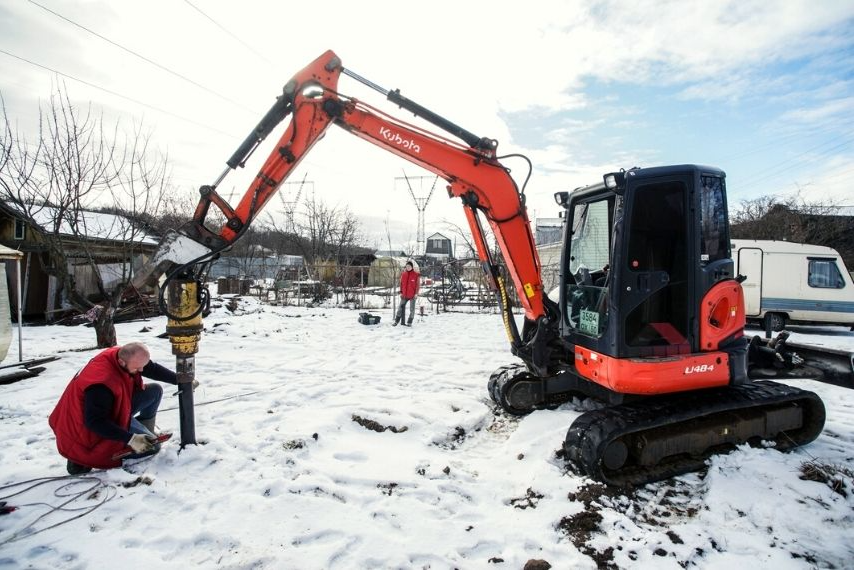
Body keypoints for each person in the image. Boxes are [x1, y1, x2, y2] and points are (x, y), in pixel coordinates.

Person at [49, 342, 188, 474]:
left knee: (154, 391)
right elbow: (94, 422)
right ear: (122, 362)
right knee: (154, 448)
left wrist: (181, 380)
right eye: (137, 368)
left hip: (113, 408)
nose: (141, 371)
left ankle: (145, 436)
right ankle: (79, 460)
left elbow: (149, 368)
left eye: (142, 366)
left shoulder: (120, 355)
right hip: (84, 429)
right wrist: (130, 439)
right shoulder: (101, 385)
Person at [393, 260, 420, 327]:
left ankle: (409, 322)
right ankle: (396, 321)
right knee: (400, 308)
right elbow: (401, 284)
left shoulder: (416, 275)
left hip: (412, 295)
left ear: (412, 267)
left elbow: (418, 285)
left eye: (409, 266)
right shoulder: (404, 274)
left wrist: (416, 293)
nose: (408, 267)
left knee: (412, 309)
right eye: (407, 266)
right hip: (404, 295)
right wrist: (401, 292)